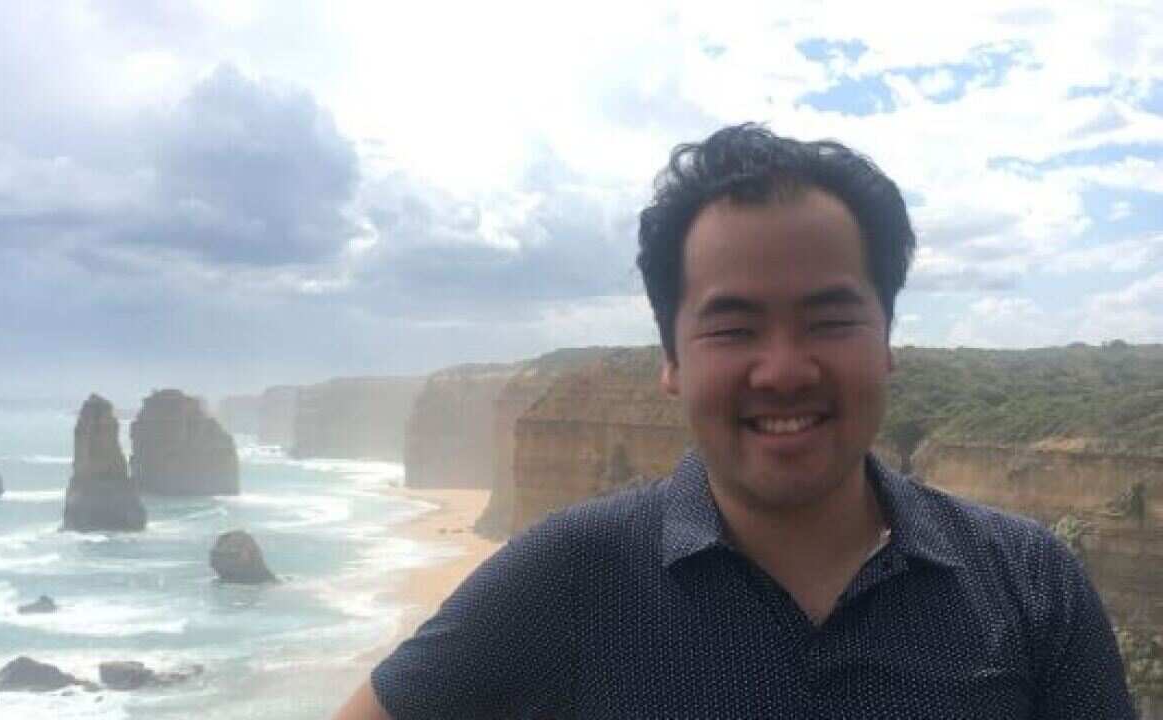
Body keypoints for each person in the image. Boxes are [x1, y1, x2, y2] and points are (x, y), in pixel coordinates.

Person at [334, 124, 1134, 719]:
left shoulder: (1029, 583)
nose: (784, 369)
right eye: (733, 327)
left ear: (888, 340)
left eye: (829, 319)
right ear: (672, 360)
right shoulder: (569, 572)